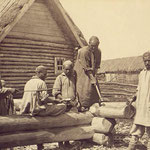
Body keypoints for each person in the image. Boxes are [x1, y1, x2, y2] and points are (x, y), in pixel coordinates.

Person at [20, 65, 66, 150]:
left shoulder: (29, 82)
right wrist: (55, 101)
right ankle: (61, 138)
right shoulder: (41, 83)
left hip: (27, 109)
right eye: (45, 74)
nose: (46, 76)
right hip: (37, 110)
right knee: (62, 107)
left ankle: (40, 145)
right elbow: (44, 99)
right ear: (39, 73)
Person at [52, 60, 78, 149]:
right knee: (61, 123)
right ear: (63, 69)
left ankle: (67, 142)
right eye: (66, 69)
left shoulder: (74, 77)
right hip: (62, 105)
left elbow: (76, 91)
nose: (68, 71)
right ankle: (60, 143)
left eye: (69, 69)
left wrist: (75, 100)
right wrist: (62, 99)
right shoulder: (59, 78)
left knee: (70, 124)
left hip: (72, 104)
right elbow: (55, 92)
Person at [128, 51, 150, 150]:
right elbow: (139, 88)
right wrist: (134, 97)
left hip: (149, 103)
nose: (147, 63)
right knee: (138, 125)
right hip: (141, 104)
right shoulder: (142, 73)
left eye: (149, 61)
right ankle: (132, 145)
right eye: (145, 61)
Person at [74, 36, 102, 111]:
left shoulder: (98, 52)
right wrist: (92, 78)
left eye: (95, 46)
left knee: (94, 86)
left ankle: (95, 103)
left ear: (98, 44)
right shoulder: (84, 51)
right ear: (89, 43)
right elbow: (86, 67)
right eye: (92, 46)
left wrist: (94, 76)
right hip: (82, 71)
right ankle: (83, 105)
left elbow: (96, 66)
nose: (93, 48)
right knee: (85, 87)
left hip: (91, 70)